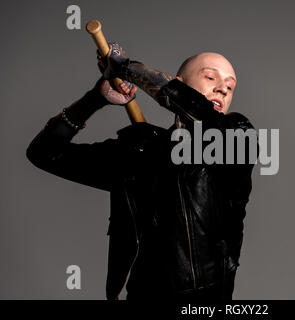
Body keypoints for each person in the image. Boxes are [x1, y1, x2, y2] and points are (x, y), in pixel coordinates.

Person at [26, 43, 255, 301]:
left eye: (230, 85)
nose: (222, 87)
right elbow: (44, 153)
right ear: (180, 83)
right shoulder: (140, 151)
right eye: (210, 77)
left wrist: (128, 69)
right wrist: (95, 99)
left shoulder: (236, 136)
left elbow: (203, 117)